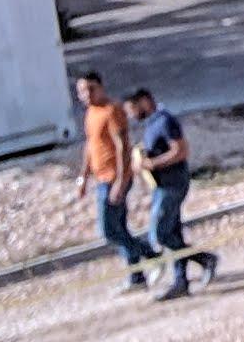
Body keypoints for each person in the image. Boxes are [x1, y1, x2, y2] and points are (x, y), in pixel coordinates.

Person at [127, 87, 205, 297]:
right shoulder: (152, 124)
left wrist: (153, 163)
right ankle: (181, 281)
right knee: (173, 231)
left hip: (172, 184)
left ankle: (203, 259)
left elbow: (180, 150)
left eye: (132, 109)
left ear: (144, 102)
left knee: (160, 234)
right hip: (161, 185)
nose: (132, 115)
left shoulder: (165, 121)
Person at [75, 68, 144, 285]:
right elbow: (90, 145)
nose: (87, 95)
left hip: (114, 178)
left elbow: (123, 146)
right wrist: (83, 177)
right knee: (119, 228)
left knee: (109, 231)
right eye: (82, 91)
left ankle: (150, 253)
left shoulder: (112, 110)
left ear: (101, 87)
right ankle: (137, 275)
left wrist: (121, 181)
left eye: (91, 89)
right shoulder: (91, 113)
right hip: (101, 177)